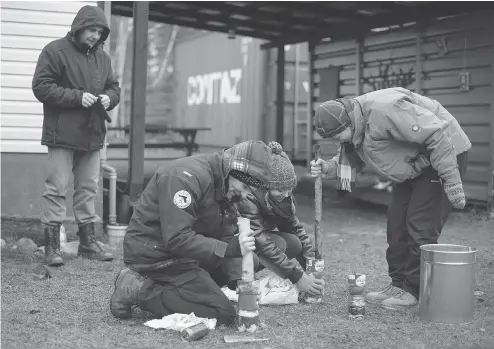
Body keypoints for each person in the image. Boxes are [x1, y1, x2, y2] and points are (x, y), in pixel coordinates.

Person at [310, 87, 470, 310]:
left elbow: (437, 133)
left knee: (420, 223)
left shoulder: (384, 110)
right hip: (413, 165)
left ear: (347, 123)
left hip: (444, 153)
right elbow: (354, 156)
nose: (337, 142)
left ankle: (414, 290)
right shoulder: (354, 123)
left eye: (337, 136)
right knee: (396, 221)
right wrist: (328, 168)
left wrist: (451, 181)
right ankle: (398, 284)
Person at [110, 141, 280, 325]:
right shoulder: (183, 178)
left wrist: (239, 281)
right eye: (245, 187)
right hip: (157, 256)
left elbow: (225, 232)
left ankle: (175, 289)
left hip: (186, 254)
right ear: (233, 171)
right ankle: (136, 289)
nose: (246, 195)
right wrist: (229, 249)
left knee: (246, 263)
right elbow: (177, 239)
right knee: (222, 313)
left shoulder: (225, 182)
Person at [32, 5, 120, 266]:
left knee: (88, 189)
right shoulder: (54, 50)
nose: (95, 35)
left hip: (93, 134)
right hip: (61, 133)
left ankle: (87, 243)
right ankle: (52, 247)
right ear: (79, 27)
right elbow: (41, 87)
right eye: (92, 30)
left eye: (99, 31)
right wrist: (77, 97)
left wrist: (109, 98)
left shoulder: (103, 58)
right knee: (56, 188)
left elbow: (114, 87)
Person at [236, 142, 325, 297]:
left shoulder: (282, 198)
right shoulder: (247, 197)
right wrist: (297, 277)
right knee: (277, 244)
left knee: (294, 242)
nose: (286, 194)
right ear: (264, 185)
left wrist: (311, 269)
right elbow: (260, 240)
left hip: (257, 243)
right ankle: (237, 275)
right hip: (235, 245)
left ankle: (248, 270)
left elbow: (296, 231)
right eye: (280, 189)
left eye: (289, 189)